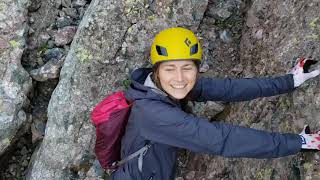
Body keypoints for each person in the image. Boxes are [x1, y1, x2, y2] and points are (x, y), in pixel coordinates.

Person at [110, 27, 320, 180]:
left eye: (187, 67)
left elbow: (229, 89)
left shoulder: (161, 86)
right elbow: (222, 140)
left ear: (196, 68)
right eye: (169, 68)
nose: (180, 78)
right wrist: (298, 143)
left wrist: (289, 81)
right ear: (156, 71)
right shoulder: (153, 113)